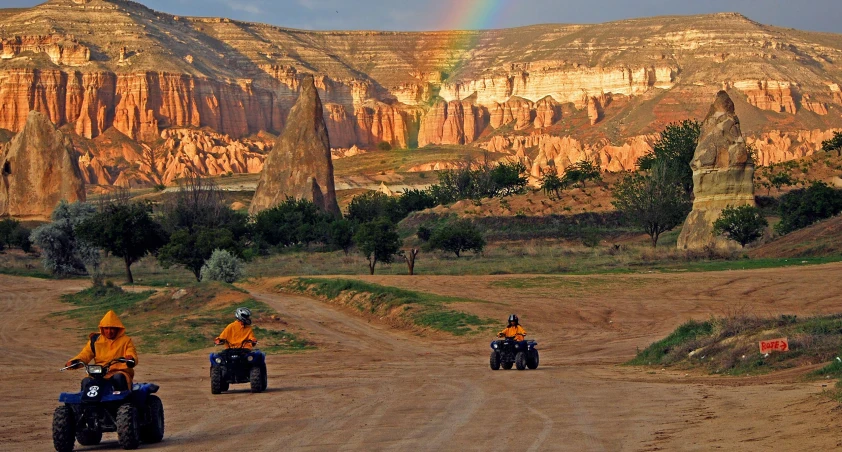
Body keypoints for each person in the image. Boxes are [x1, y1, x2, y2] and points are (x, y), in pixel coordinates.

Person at [65, 310, 138, 391]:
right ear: (102, 328)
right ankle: (85, 402)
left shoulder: (126, 341)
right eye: (106, 328)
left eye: (112, 328)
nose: (109, 331)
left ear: (118, 329)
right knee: (87, 381)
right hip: (99, 371)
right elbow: (85, 354)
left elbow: (131, 353)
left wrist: (130, 359)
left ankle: (124, 401)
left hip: (119, 371)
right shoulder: (96, 340)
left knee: (118, 378)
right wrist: (73, 362)